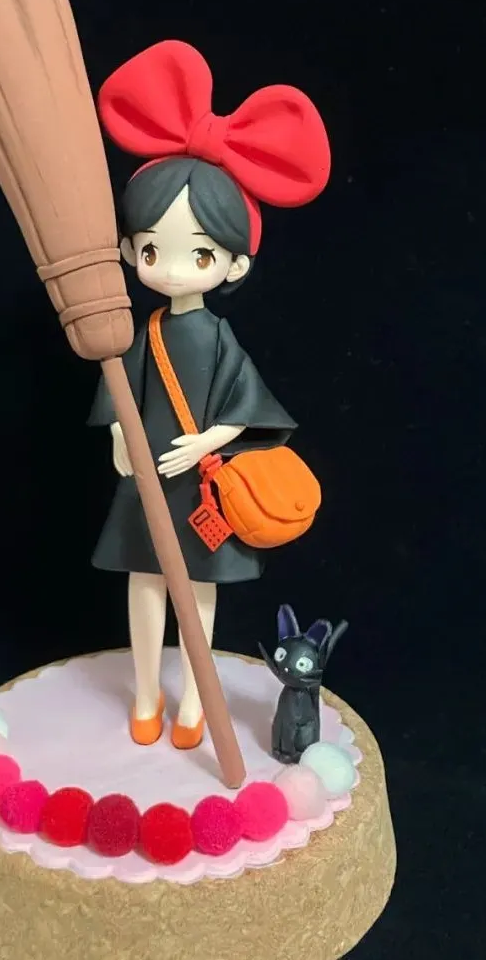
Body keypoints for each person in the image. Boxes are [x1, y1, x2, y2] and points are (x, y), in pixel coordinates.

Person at [87, 40, 331, 749]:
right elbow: (119, 392)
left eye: (198, 254)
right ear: (131, 251)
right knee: (143, 581)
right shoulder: (143, 332)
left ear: (234, 264)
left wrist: (206, 443)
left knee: (197, 591)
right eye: (151, 250)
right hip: (145, 478)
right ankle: (144, 695)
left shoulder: (218, 338)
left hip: (198, 484)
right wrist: (118, 436)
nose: (169, 269)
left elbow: (248, 406)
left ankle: (194, 701)